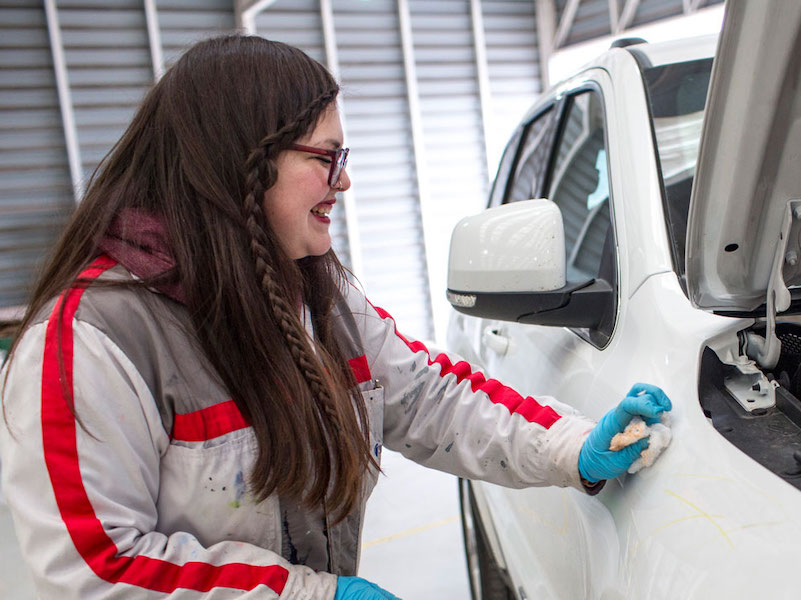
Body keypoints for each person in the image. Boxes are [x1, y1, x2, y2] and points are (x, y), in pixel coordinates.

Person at [0, 35, 671, 599]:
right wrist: (306, 593)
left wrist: (568, 446)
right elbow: (91, 570)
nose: (344, 182)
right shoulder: (89, 344)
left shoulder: (314, 295)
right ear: (243, 164)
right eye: (326, 157)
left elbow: (426, 398)